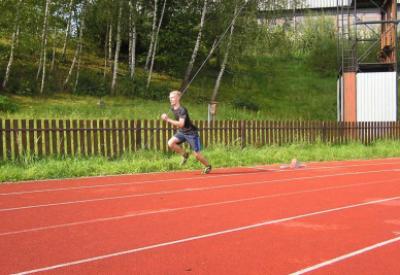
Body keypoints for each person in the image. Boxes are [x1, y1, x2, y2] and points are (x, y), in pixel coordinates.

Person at [161, 90, 212, 174]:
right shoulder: (172, 108)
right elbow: (180, 126)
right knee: (170, 143)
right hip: (182, 132)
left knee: (196, 154)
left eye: (172, 98)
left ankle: (208, 166)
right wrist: (165, 116)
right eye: (170, 98)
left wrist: (167, 119)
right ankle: (185, 155)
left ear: (178, 98)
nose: (170, 99)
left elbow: (181, 124)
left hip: (191, 133)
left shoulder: (182, 110)